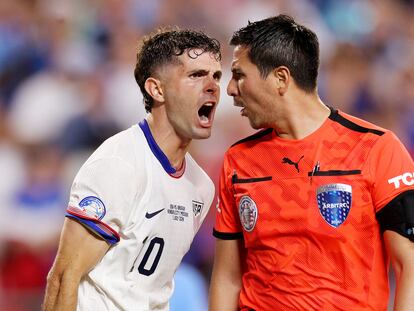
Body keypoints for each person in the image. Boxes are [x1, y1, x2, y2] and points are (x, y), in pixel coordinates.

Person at [209, 14, 414, 311]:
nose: (230, 89)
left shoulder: (377, 149)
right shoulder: (237, 160)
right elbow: (228, 278)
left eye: (239, 75)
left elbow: (408, 263)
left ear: (280, 78)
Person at [43, 27, 222, 311]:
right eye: (196, 75)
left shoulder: (201, 186)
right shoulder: (119, 163)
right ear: (156, 89)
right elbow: (64, 278)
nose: (212, 85)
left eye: (216, 76)